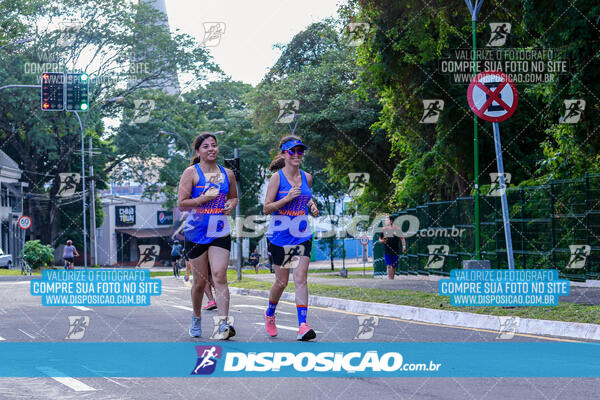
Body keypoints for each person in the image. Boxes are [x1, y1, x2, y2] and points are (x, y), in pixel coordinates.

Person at [177, 132, 237, 340]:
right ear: (198, 151)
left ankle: (223, 324)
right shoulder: (190, 173)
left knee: (220, 275)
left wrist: (231, 205)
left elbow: (234, 197)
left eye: (214, 145)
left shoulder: (227, 174)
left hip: (219, 229)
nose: (211, 149)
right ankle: (196, 316)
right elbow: (182, 203)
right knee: (200, 283)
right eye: (206, 146)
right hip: (196, 231)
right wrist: (203, 198)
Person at [263, 136, 319, 341]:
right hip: (280, 236)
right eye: (292, 151)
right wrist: (286, 199)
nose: (296, 155)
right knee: (281, 281)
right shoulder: (277, 178)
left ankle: (303, 325)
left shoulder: (307, 177)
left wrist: (311, 206)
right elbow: (267, 207)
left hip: (301, 234)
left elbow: (306, 196)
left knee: (301, 277)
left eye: (300, 151)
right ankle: (270, 313)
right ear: (284, 154)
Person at [378, 215, 407, 280]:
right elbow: (379, 240)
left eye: (387, 220)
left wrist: (404, 247)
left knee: (394, 267)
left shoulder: (397, 229)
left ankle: (392, 279)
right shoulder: (384, 229)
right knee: (388, 266)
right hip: (387, 250)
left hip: (395, 250)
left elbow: (402, 239)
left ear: (391, 221)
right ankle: (390, 280)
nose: (385, 222)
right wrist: (383, 240)